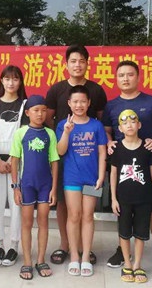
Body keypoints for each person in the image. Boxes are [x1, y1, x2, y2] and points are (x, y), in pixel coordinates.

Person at [103, 60, 152, 274]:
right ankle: (123, 251)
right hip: (121, 165)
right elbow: (106, 130)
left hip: (146, 163)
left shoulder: (151, 102)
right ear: (116, 79)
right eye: (121, 75)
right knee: (123, 210)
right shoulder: (111, 105)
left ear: (138, 77)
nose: (125, 79)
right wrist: (109, 142)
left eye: (130, 74)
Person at [45, 44, 107, 266]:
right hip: (64, 155)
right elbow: (47, 119)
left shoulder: (96, 90)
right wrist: (59, 141)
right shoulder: (57, 90)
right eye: (73, 61)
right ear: (66, 64)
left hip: (89, 158)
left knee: (86, 210)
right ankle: (66, 245)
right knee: (64, 204)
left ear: (87, 63)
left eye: (81, 61)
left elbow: (102, 122)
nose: (77, 65)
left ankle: (83, 248)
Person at [55, 85, 107, 277]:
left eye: (83, 101)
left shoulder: (96, 125)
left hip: (92, 179)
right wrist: (67, 132)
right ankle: (74, 256)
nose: (79, 105)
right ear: (69, 103)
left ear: (89, 103)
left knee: (88, 216)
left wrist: (101, 176)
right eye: (75, 102)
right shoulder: (63, 125)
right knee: (74, 215)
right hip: (72, 178)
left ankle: (86, 256)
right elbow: (60, 151)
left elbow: (102, 152)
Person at [110, 109, 152, 284]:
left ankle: (137, 265)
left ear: (139, 125)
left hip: (144, 199)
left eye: (133, 122)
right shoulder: (117, 148)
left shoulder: (147, 148)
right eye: (125, 123)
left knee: (141, 233)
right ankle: (127, 263)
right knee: (124, 233)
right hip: (123, 200)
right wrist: (113, 199)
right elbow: (113, 174)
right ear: (120, 128)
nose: (129, 125)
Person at [0, 65, 28, 266]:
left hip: (17, 162)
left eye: (15, 79)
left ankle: (14, 246)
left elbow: (24, 134)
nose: (11, 83)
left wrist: (11, 160)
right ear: (1, 81)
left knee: (17, 204)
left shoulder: (25, 105)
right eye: (7, 79)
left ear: (20, 82)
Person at [10, 94, 59, 280]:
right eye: (36, 110)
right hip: (27, 185)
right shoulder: (21, 133)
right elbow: (15, 161)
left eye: (43, 110)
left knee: (43, 221)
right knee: (27, 223)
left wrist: (54, 188)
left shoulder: (50, 134)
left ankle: (40, 260)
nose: (40, 114)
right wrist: (16, 187)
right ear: (28, 113)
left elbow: (54, 161)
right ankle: (27, 262)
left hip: (45, 185)